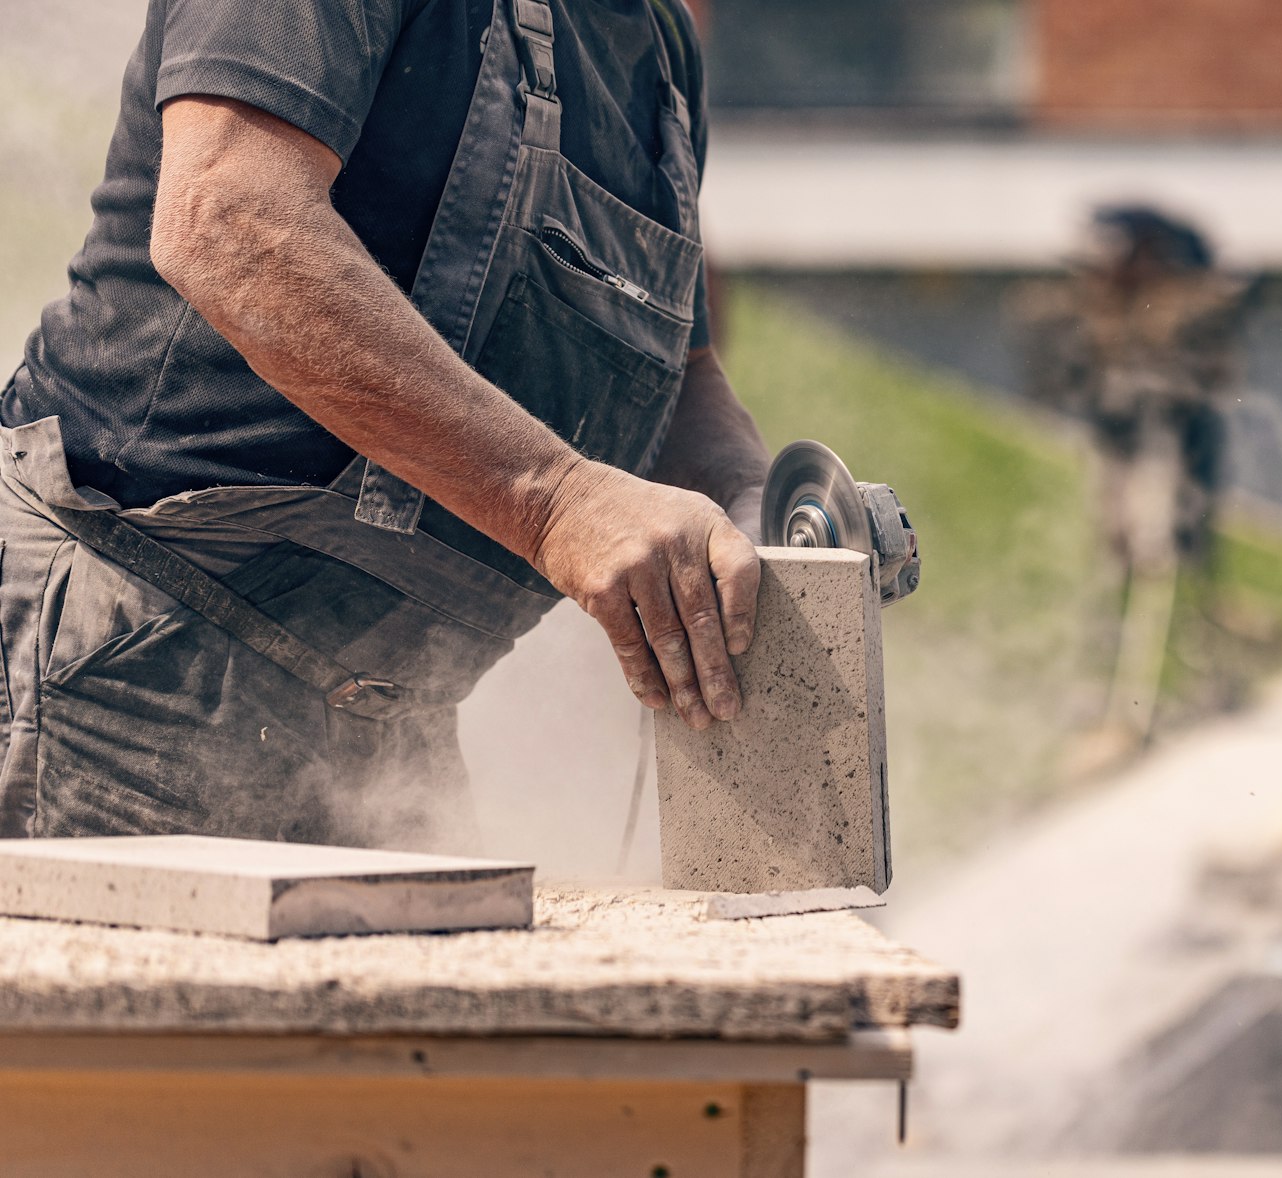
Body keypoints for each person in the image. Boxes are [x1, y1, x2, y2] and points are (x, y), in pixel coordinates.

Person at [0, 0, 769, 848]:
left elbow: (682, 374)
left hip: (387, 720)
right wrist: (557, 503)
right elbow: (227, 220)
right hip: (123, 651)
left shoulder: (658, 48)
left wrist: (753, 499)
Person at [1018, 206, 1248, 582]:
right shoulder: (1086, 305)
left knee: (1180, 523)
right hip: (1117, 429)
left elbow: (1203, 364)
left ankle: (1180, 591)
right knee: (1115, 523)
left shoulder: (1182, 302)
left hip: (1177, 429)